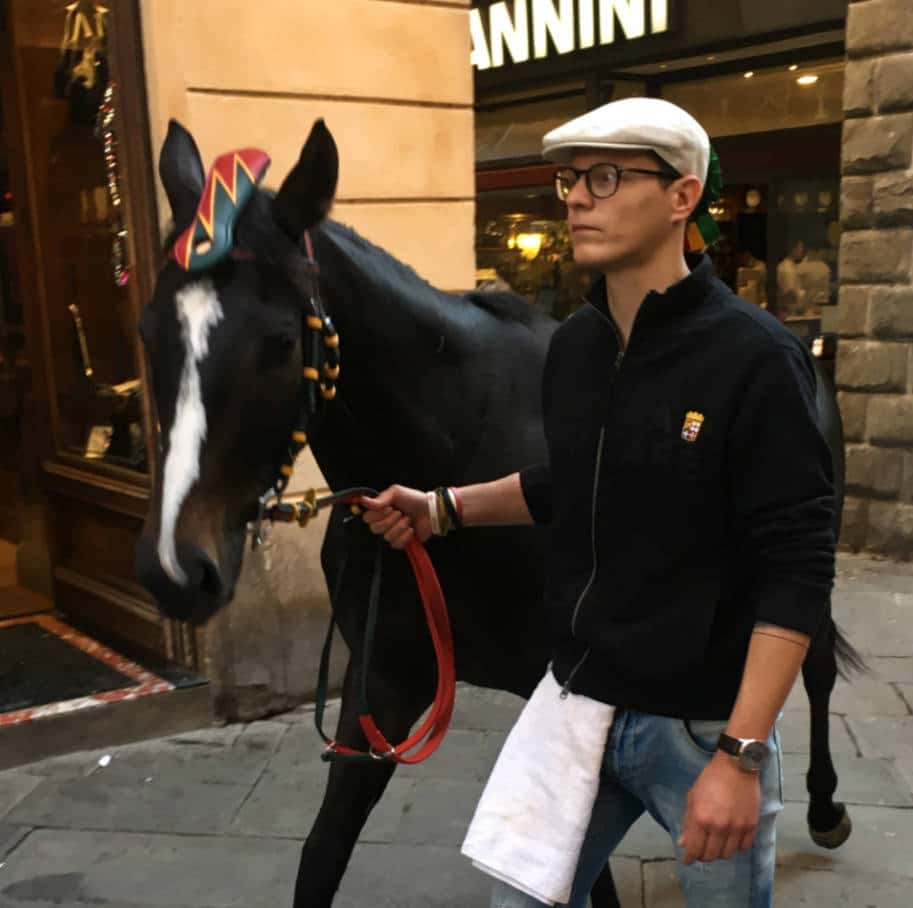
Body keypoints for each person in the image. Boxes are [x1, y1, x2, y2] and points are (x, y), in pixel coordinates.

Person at [361, 97, 835, 908]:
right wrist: (443, 507)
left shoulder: (756, 358)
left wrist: (739, 756)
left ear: (681, 198)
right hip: (578, 701)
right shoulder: (575, 348)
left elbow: (795, 567)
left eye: (607, 176)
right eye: (570, 178)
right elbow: (572, 481)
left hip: (699, 726)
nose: (577, 196)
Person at [776, 239, 808, 318]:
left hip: (790, 312)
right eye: (800, 248)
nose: (802, 251)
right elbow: (790, 292)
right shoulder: (787, 268)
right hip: (788, 313)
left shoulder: (789, 266)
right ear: (794, 250)